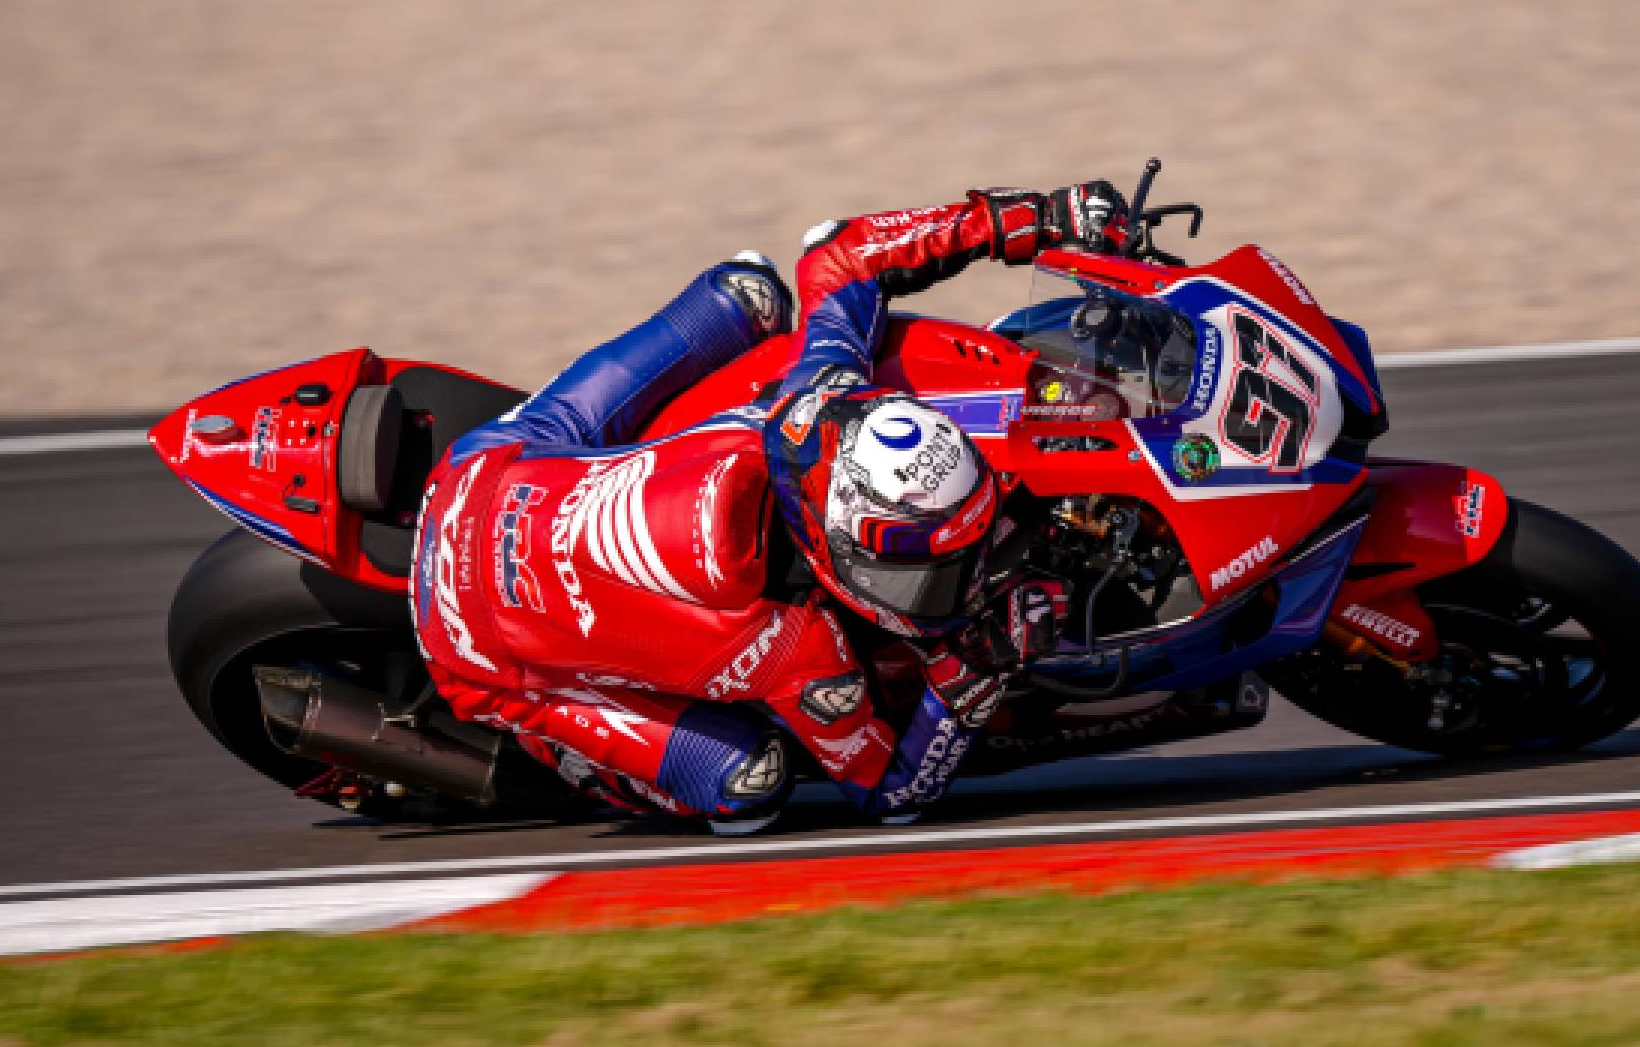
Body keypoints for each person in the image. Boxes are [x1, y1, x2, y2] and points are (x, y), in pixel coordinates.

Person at [409, 181, 1129, 830]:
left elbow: (837, 254)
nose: (968, 583)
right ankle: (547, 739)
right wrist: (972, 676)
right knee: (751, 785)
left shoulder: (815, 402)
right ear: (843, 555)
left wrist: (1030, 219)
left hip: (487, 468)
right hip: (472, 642)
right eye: (937, 571)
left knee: (750, 289)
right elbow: (890, 793)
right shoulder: (798, 652)